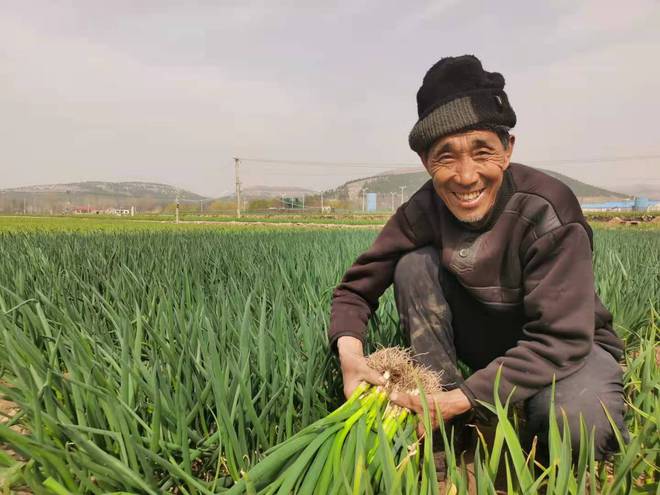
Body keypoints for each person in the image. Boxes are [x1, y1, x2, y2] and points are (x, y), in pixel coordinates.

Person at [328, 55, 626, 461]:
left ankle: (484, 419)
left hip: (568, 350)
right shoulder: (423, 210)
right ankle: (447, 429)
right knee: (413, 265)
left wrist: (468, 395)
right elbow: (354, 291)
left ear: (508, 149)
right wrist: (350, 356)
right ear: (425, 163)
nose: (466, 176)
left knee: (576, 425)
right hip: (491, 344)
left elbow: (562, 338)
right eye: (445, 156)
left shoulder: (547, 209)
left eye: (482, 151)